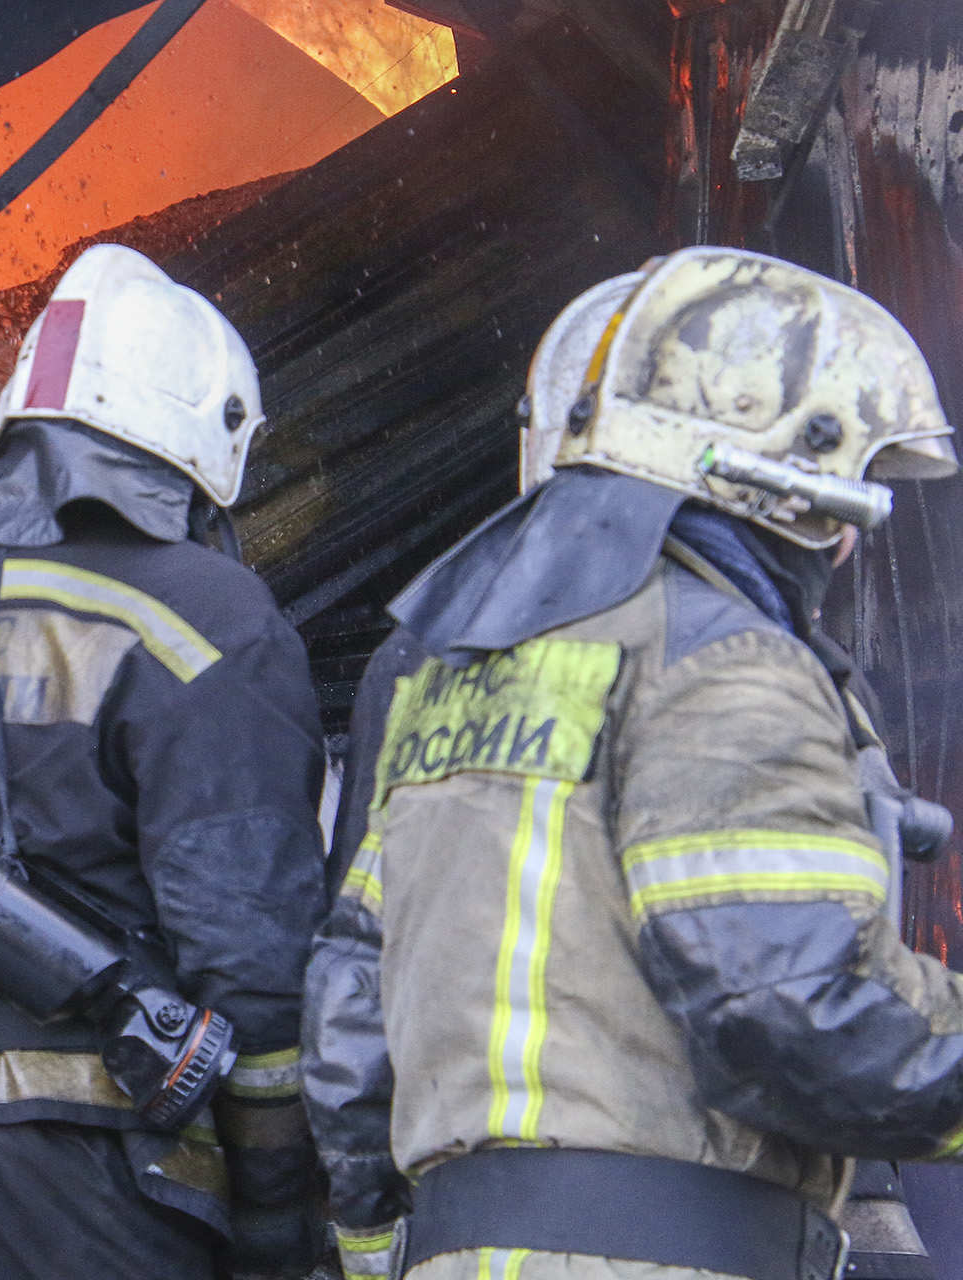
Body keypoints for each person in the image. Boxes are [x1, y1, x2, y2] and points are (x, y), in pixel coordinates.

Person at [302, 245, 962, 1280]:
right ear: (776, 470)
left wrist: (375, 1240)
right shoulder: (727, 662)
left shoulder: (455, 669)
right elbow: (784, 1014)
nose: (842, 542)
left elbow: (348, 1006)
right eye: (845, 494)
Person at [0, 244, 330, 1280]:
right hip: (68, 1182)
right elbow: (255, 964)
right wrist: (275, 1227)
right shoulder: (206, 616)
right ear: (204, 438)